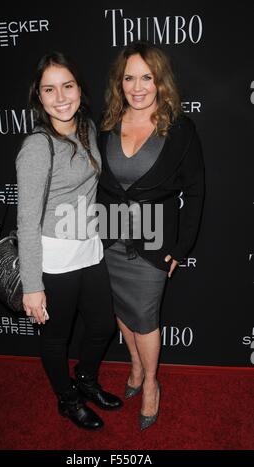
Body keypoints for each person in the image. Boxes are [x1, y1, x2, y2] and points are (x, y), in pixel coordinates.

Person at [97, 41, 205, 430]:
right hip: (108, 238)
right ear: (119, 82)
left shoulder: (179, 128)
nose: (137, 86)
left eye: (147, 77)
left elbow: (195, 189)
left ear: (160, 81)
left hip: (153, 242)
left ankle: (151, 386)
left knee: (144, 316)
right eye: (129, 78)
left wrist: (182, 245)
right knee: (121, 313)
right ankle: (137, 367)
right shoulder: (107, 122)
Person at [16, 51, 122, 431]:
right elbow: (26, 221)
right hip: (54, 259)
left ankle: (86, 378)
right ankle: (67, 397)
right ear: (39, 97)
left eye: (68, 86)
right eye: (49, 90)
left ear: (80, 88)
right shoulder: (36, 147)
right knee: (56, 337)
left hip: (89, 249)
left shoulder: (87, 128)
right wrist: (32, 286)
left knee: (101, 326)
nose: (60, 97)